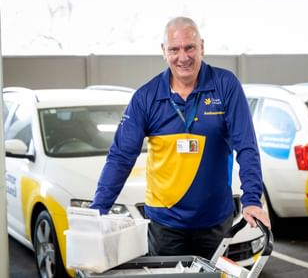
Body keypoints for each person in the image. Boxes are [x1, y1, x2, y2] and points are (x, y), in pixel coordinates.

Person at [90, 16, 271, 259]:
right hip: (165, 223)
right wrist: (98, 208)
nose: (183, 57)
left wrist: (251, 200)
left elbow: (246, 146)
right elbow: (121, 156)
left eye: (190, 47)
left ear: (202, 47)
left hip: (215, 220)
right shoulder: (146, 97)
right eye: (174, 49)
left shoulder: (225, 85)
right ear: (164, 51)